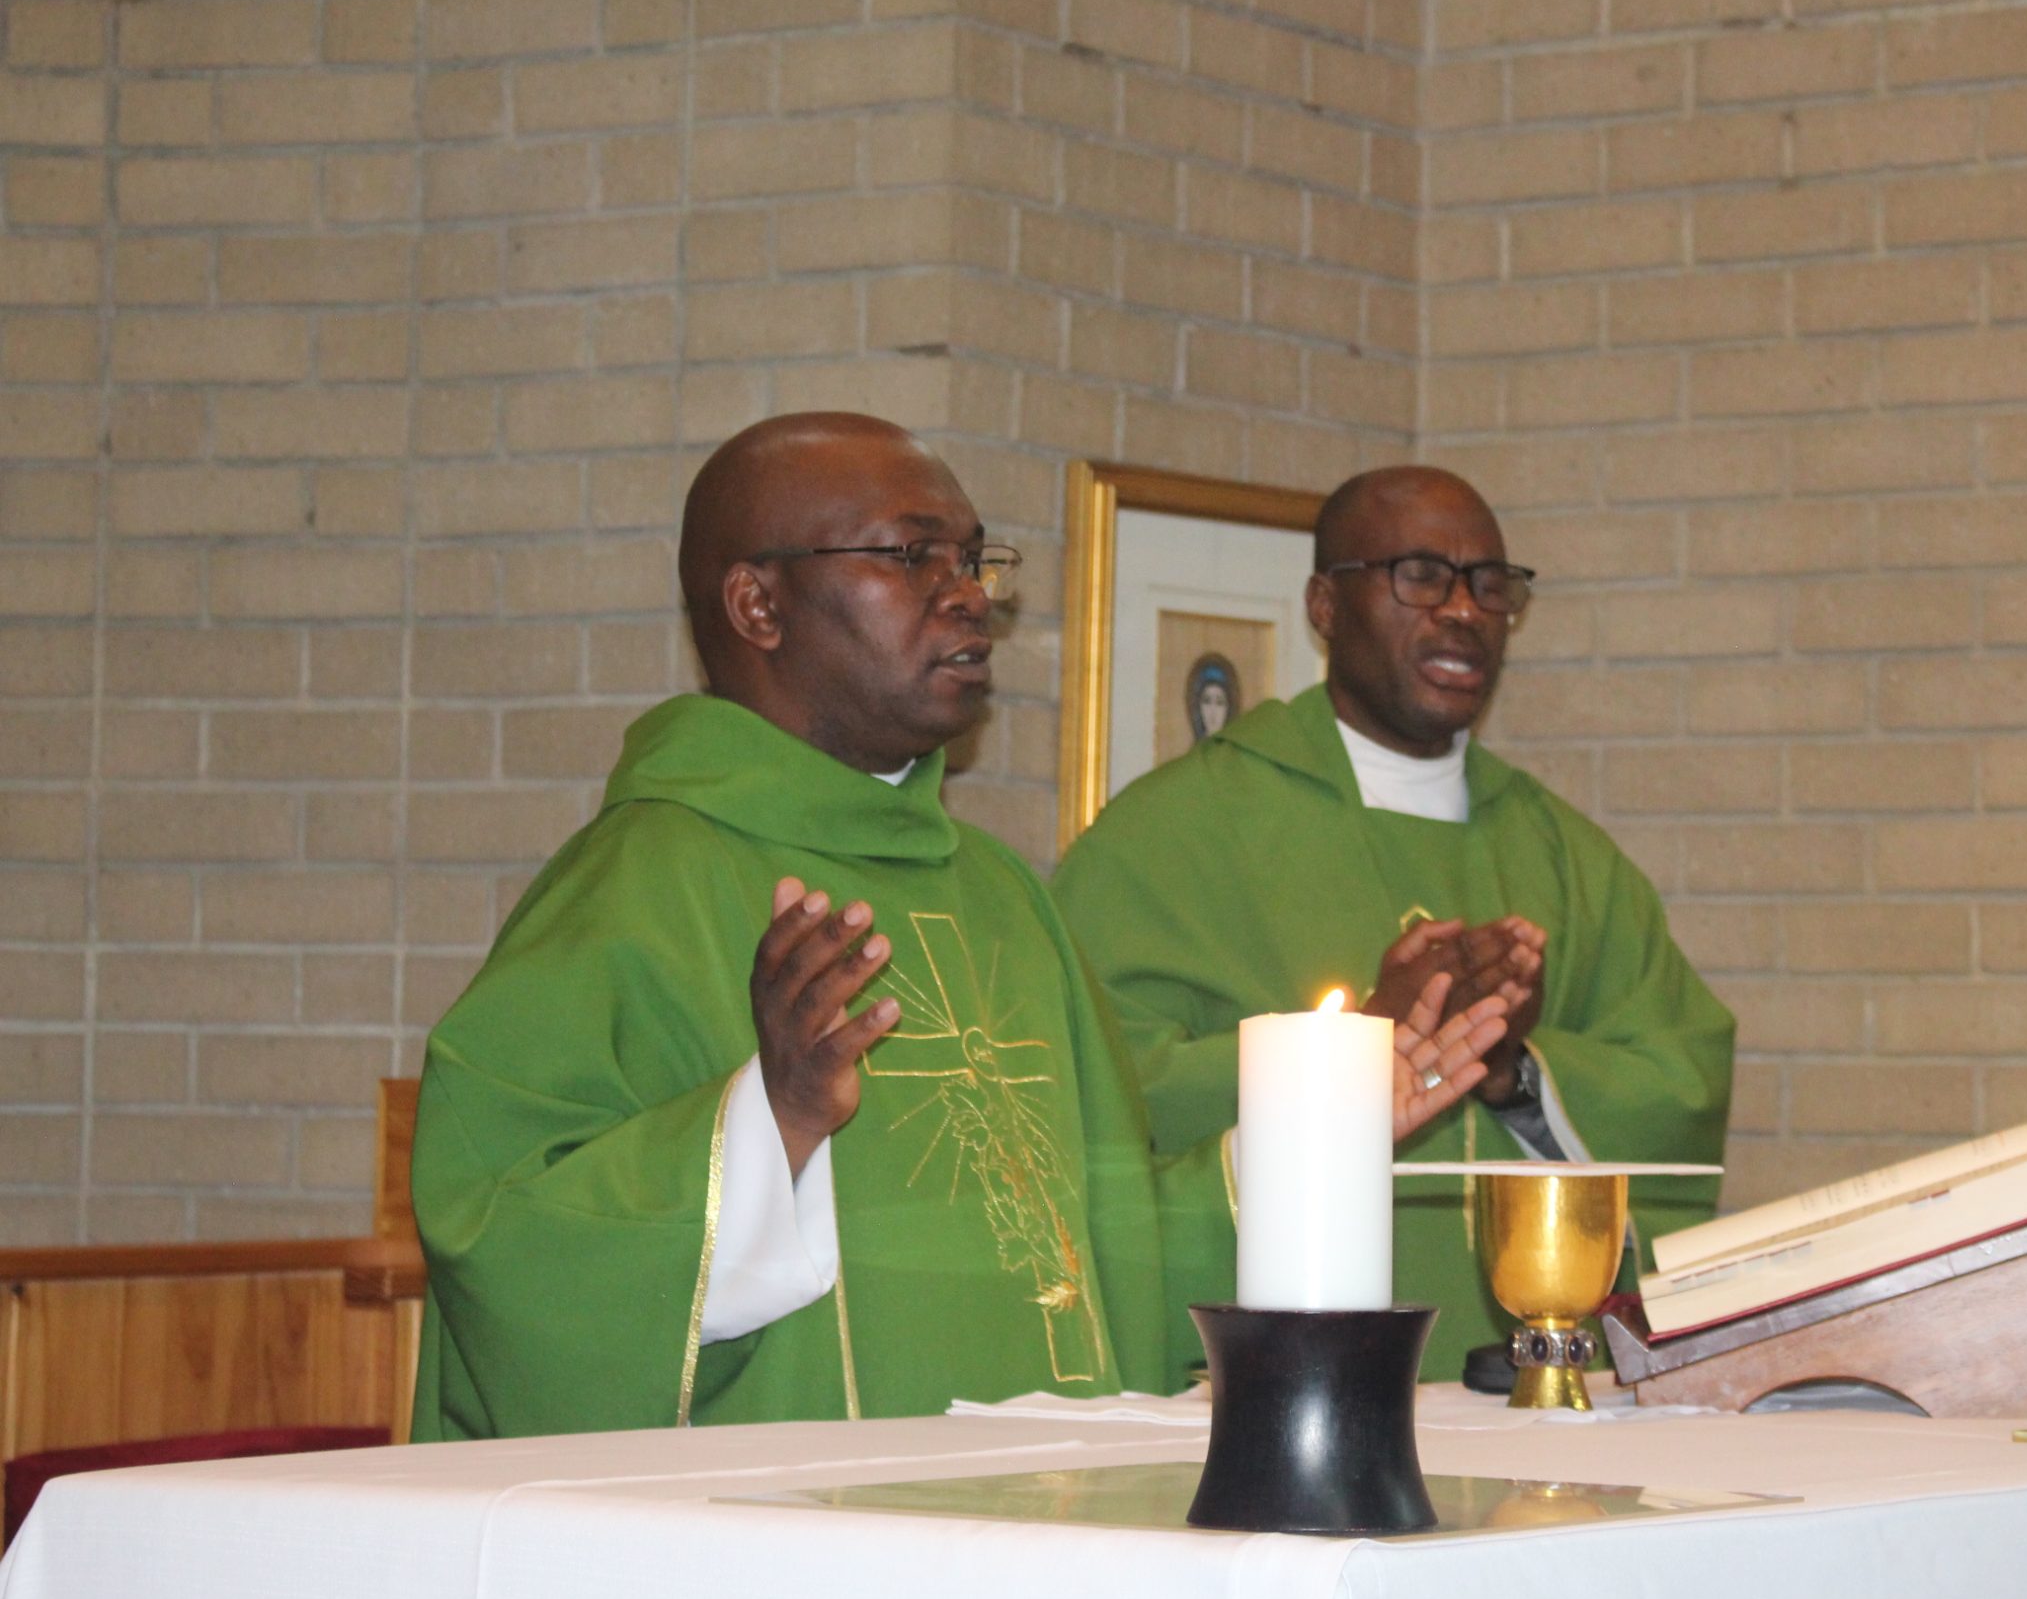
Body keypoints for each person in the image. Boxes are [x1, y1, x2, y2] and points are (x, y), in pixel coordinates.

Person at [409, 417, 1503, 1438]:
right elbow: (505, 1247)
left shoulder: (997, 894)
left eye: (974, 561)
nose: (969, 597)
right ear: (757, 606)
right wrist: (770, 1121)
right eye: (912, 558)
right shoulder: (642, 884)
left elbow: (1100, 1245)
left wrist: (1313, 1138)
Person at [1054, 465, 1736, 1380]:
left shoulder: (1566, 856)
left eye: (1492, 585)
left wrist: (1516, 1074)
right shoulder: (1171, 834)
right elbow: (1096, 1090)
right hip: (1271, 1384)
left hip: (1525, 1389)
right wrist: (1357, 1053)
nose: (1463, 610)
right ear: (1324, 605)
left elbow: (1680, 1081)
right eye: (1420, 575)